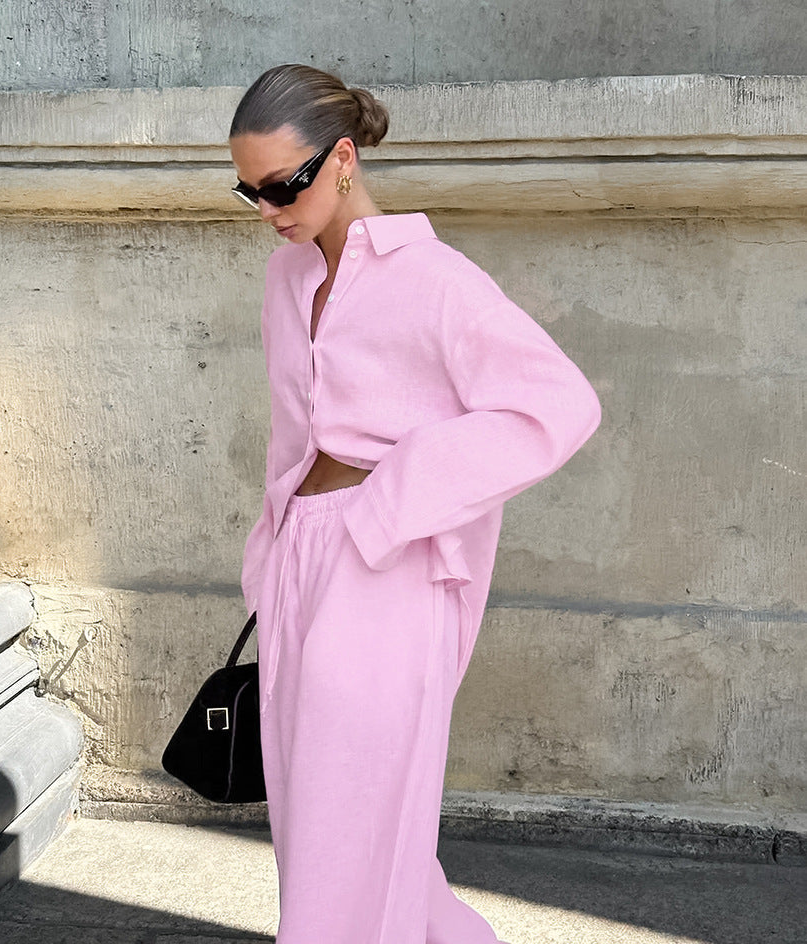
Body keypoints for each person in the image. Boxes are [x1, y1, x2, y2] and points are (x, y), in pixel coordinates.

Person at [229, 63, 601, 944]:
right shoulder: (287, 283)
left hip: (389, 564)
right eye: (250, 194)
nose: (272, 210)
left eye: (286, 184)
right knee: (320, 828)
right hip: (303, 560)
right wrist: (275, 543)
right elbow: (297, 434)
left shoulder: (436, 280)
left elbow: (559, 405)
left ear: (344, 158)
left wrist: (394, 496)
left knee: (351, 822)